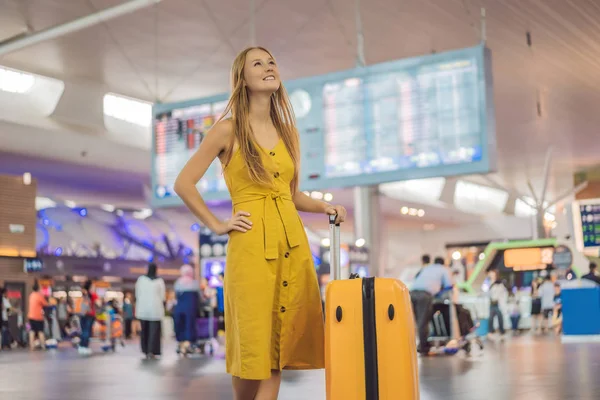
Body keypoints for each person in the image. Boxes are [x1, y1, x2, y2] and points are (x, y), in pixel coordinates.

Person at [173, 46, 347, 400]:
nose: (268, 67)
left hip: (292, 246)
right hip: (251, 248)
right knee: (253, 347)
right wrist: (218, 225)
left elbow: (291, 195)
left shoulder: (288, 132)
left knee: (278, 348)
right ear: (243, 78)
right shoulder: (227, 130)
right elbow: (183, 183)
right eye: (258, 63)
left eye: (271, 62)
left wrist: (325, 207)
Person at [410, 254, 453, 355]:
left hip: (412, 293)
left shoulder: (427, 267)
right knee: (423, 321)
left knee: (416, 321)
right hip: (425, 295)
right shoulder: (444, 269)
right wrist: (438, 293)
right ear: (443, 263)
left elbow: (416, 278)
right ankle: (424, 348)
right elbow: (449, 286)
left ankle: (417, 345)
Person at [135, 263, 166, 359]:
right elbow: (162, 296)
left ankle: (145, 350)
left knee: (144, 331)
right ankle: (152, 350)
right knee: (154, 332)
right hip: (155, 310)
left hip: (143, 309)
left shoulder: (141, 280)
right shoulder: (159, 281)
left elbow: (137, 294)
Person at [173, 265, 200, 355]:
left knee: (180, 326)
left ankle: (181, 345)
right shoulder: (194, 283)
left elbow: (176, 297)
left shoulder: (178, 283)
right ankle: (188, 345)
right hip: (191, 309)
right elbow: (199, 298)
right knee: (190, 325)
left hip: (179, 308)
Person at [79, 280, 98, 355]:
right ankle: (85, 346)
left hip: (83, 314)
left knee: (84, 331)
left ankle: (82, 346)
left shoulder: (84, 294)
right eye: (93, 286)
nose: (94, 288)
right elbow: (98, 303)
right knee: (87, 331)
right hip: (89, 315)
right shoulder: (93, 295)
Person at [27, 281, 48, 350]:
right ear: (38, 289)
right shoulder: (39, 295)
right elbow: (45, 304)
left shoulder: (31, 295)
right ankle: (43, 346)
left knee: (32, 331)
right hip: (38, 317)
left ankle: (32, 346)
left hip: (30, 316)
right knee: (40, 331)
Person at [488, 271, 508, 338]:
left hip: (497, 303)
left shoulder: (499, 284)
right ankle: (491, 331)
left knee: (500, 318)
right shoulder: (489, 283)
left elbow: (502, 293)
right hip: (491, 303)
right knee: (490, 318)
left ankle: (502, 332)